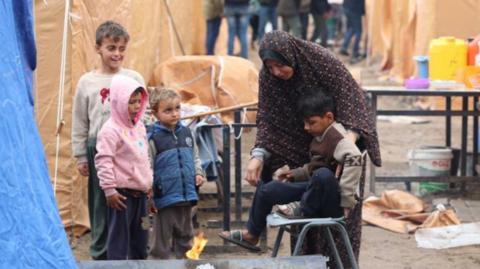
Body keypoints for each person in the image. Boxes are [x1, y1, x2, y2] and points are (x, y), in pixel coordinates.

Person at [219, 30, 380, 263]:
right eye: (270, 66)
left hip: (333, 187)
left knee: (324, 179)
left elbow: (352, 103)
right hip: (308, 170)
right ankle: (253, 235)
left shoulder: (323, 63)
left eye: (280, 65)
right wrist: (265, 159)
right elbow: (268, 118)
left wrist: (343, 147)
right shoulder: (270, 79)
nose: (276, 72)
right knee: (270, 190)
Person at [71, 20, 145, 260]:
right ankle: (101, 251)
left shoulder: (133, 77)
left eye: (122, 49)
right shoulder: (87, 82)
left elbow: (143, 115)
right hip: (98, 149)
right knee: (101, 200)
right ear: (98, 48)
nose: (117, 54)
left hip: (129, 146)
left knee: (129, 200)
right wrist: (81, 155)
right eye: (111, 48)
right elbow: (80, 120)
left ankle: (129, 251)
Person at [94, 75, 152, 260]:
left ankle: (140, 264)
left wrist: (148, 182)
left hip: (142, 197)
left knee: (142, 237)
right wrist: (109, 190)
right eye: (131, 102)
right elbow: (104, 160)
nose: (136, 107)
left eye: (138, 102)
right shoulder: (110, 130)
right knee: (118, 240)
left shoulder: (140, 127)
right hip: (122, 197)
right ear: (118, 102)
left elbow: (145, 157)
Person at [148, 88, 205, 259]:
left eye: (177, 108)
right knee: (161, 242)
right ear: (155, 113)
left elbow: (195, 156)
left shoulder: (187, 133)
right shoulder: (153, 138)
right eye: (168, 110)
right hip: (164, 197)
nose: (174, 114)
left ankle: (185, 263)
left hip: (186, 195)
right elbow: (148, 165)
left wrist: (198, 173)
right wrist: (150, 192)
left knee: (186, 237)